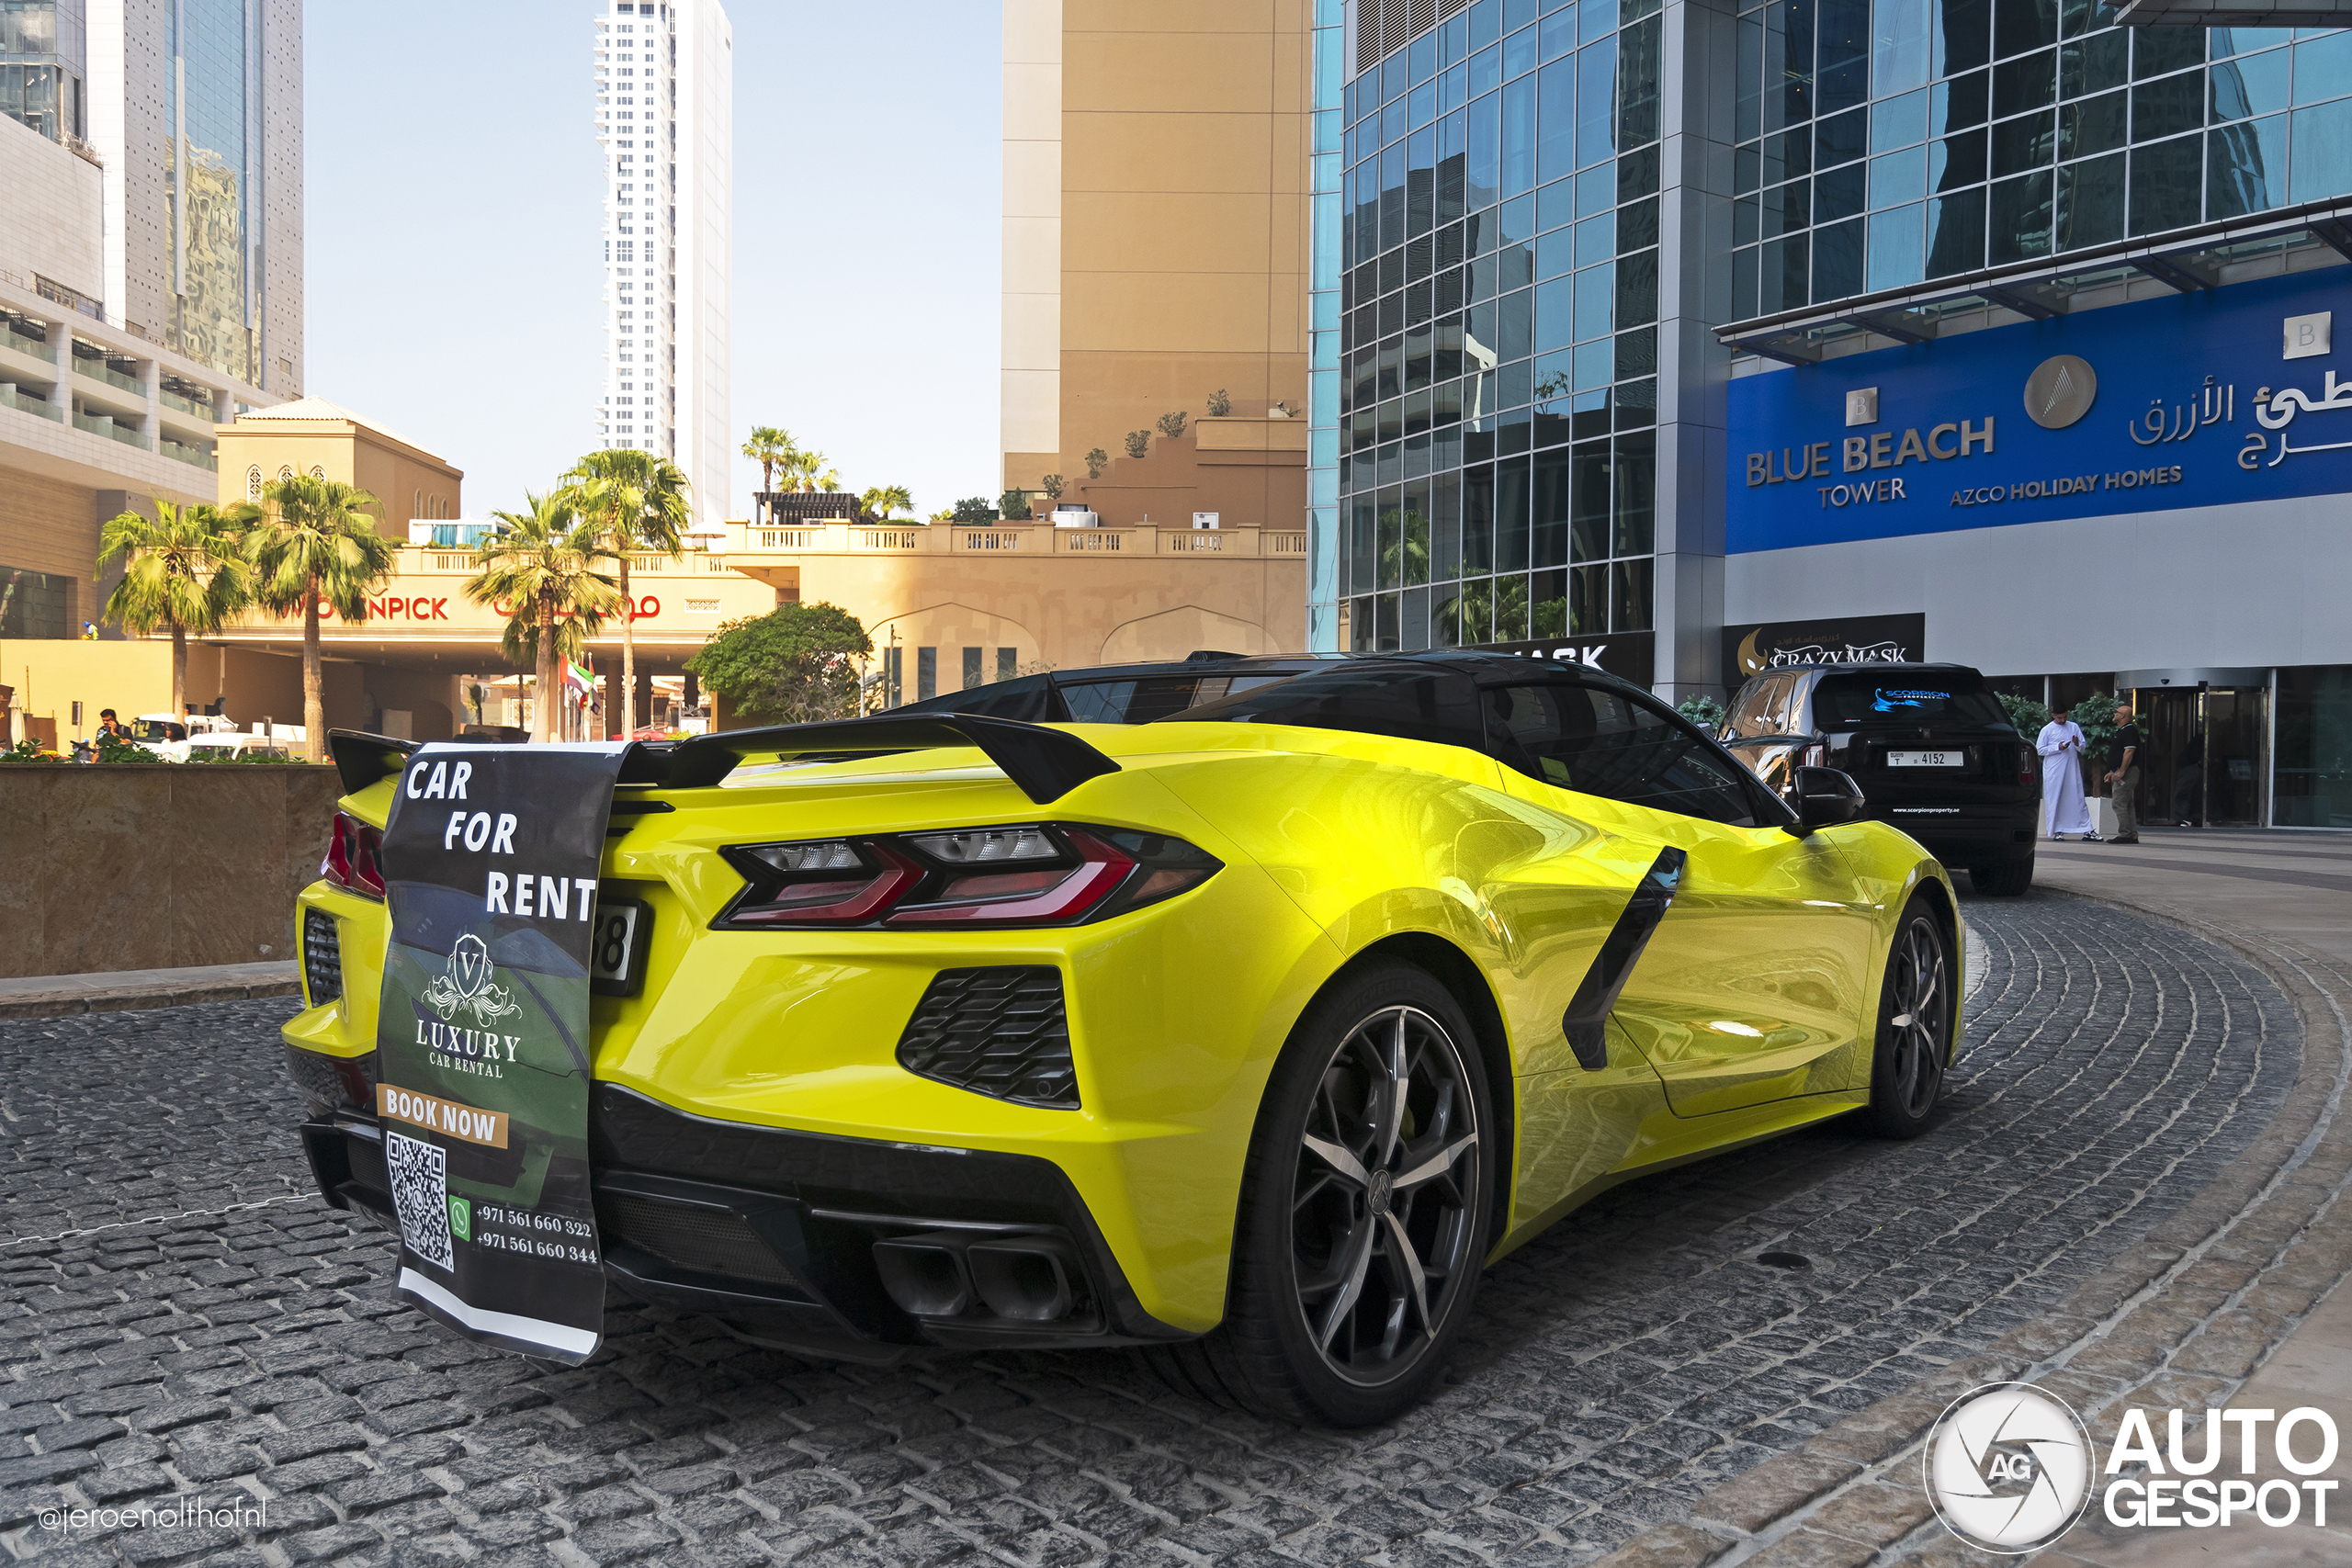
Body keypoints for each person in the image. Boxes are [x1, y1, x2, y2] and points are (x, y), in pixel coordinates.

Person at [2036, 705, 2098, 840]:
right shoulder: (2047, 730)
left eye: (2065, 717)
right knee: (2056, 798)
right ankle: (2058, 829)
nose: (2063, 720)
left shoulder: (2073, 726)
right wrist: (2058, 747)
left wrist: (2076, 743)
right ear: (2053, 716)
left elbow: (2082, 748)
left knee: (2077, 797)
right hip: (2054, 771)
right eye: (2059, 718)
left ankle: (2087, 829)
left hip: (2071, 769)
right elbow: (2039, 750)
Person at [2103, 703, 2143, 844]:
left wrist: (2121, 771)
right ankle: (2131, 834)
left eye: (2117, 712)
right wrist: (2112, 771)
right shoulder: (2123, 730)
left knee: (2119, 803)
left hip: (2127, 772)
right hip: (2122, 771)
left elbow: (2129, 752)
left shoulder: (2129, 731)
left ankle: (2125, 834)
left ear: (2123, 715)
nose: (2115, 714)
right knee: (2127, 804)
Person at [2174, 726, 2205, 828]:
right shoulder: (2201, 743)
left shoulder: (2194, 745)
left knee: (2183, 794)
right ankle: (2196, 818)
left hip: (2189, 769)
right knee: (2196, 794)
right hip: (2197, 768)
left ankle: (2184, 818)